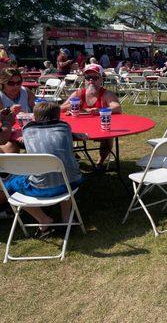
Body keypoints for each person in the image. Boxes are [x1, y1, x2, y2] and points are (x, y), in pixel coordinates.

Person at [0, 102, 83, 237]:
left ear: (35, 117)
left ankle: (43, 219)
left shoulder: (27, 130)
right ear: (58, 116)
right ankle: (67, 217)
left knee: (9, 183)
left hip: (40, 187)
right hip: (72, 182)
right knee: (62, 172)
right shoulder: (65, 127)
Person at [61, 64, 121, 170]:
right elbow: (61, 108)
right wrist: (72, 106)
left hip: (100, 128)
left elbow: (117, 108)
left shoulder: (106, 94)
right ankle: (73, 157)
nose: (91, 81)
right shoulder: (79, 93)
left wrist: (99, 111)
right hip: (78, 128)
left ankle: (100, 163)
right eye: (88, 78)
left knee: (108, 136)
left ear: (102, 79)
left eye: (95, 77)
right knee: (63, 134)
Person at [0, 68, 36, 153]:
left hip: (28, 130)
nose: (16, 86)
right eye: (11, 83)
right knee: (10, 148)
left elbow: (37, 109)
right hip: (8, 133)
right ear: (3, 83)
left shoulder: (26, 91)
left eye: (18, 83)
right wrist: (9, 110)